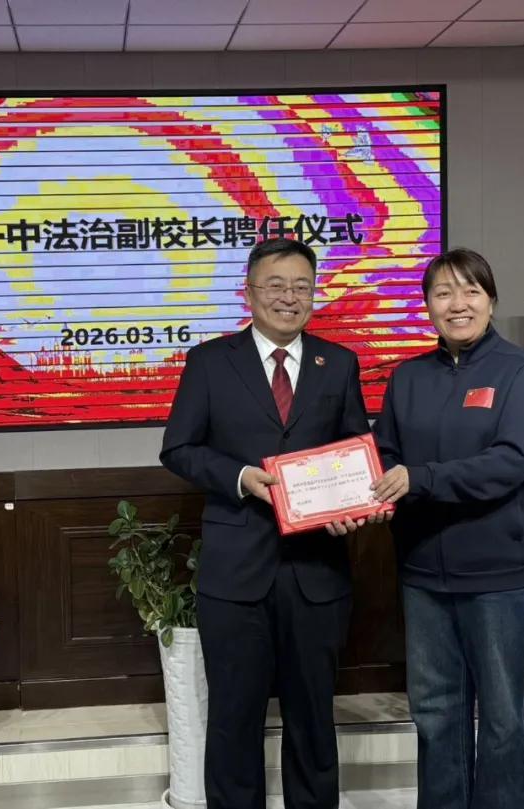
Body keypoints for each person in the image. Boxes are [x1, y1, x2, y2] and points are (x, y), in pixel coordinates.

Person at [161, 237, 381, 809]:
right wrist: (239, 477)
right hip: (236, 573)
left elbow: (356, 453)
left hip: (317, 571)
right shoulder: (210, 362)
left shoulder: (339, 363)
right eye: (276, 285)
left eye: (302, 286)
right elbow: (179, 448)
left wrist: (351, 508)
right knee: (234, 717)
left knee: (313, 718)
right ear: (250, 292)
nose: (289, 297)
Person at [371, 247, 524, 809]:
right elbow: (383, 455)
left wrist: (419, 478)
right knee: (435, 714)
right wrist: (367, 492)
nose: (458, 304)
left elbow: (511, 462)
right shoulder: (408, 377)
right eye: (443, 292)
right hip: (423, 572)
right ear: (427, 305)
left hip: (498, 574)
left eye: (471, 290)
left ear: (491, 300)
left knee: (503, 718)